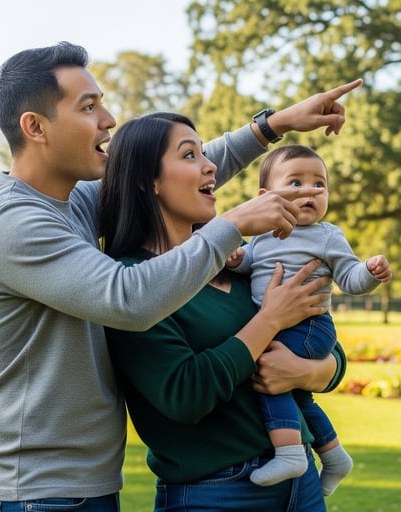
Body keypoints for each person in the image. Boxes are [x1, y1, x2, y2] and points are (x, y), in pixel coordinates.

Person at [0, 40, 361, 511]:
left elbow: (174, 171)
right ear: (35, 127)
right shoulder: (12, 223)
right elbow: (128, 299)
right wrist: (233, 226)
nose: (108, 120)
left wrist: (273, 126)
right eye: (89, 107)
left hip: (82, 486)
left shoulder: (75, 201)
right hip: (32, 493)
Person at [100, 113, 349, 512]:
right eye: (190, 155)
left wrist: (308, 372)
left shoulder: (233, 264)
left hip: (300, 484)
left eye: (204, 152)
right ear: (149, 181)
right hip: (216, 492)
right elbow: (185, 394)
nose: (211, 165)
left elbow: (326, 348)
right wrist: (269, 321)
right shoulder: (131, 284)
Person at [227, 144, 392, 493]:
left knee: (266, 367)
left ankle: (290, 453)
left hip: (309, 325)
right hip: (281, 323)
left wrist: (370, 272)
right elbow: (250, 266)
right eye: (296, 182)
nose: (309, 191)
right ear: (265, 196)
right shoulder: (260, 236)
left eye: (319, 184)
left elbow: (349, 278)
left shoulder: (327, 236)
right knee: (299, 396)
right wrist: (235, 258)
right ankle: (334, 456)